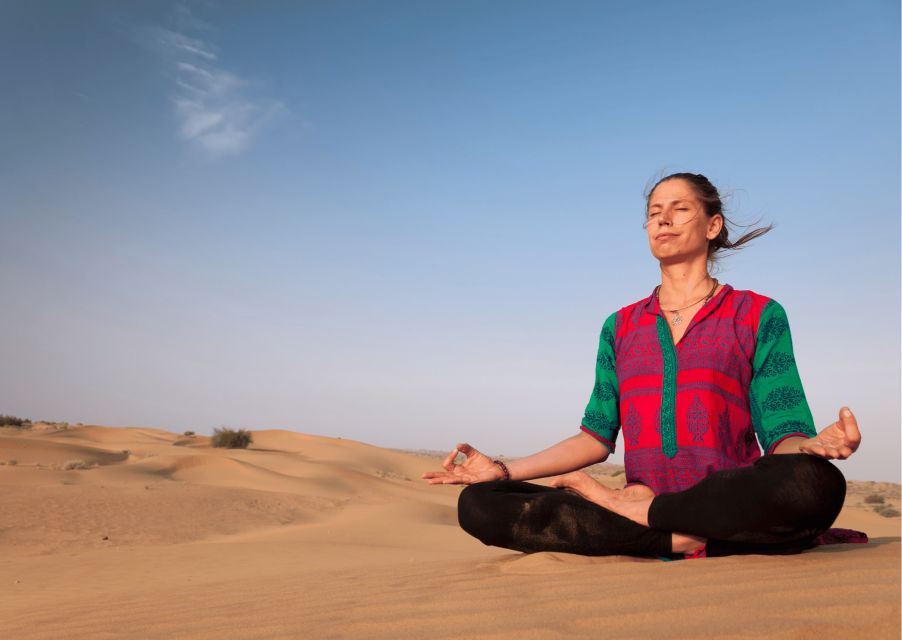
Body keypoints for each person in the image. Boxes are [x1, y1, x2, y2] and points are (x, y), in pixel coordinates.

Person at [421, 172, 863, 560]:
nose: (662, 220)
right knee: (479, 503)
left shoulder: (758, 314)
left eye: (679, 209)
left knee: (816, 482)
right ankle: (670, 539)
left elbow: (784, 433)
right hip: (635, 501)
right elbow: (594, 437)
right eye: (654, 213)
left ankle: (658, 521)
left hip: (726, 503)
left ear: (713, 225)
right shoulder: (621, 326)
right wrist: (501, 471)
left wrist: (810, 448)